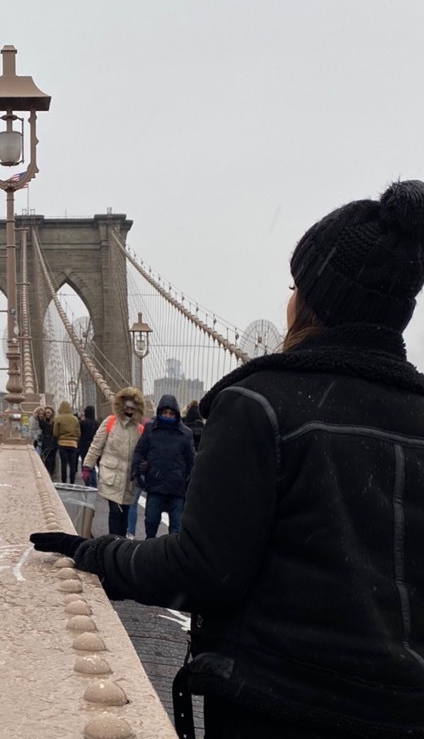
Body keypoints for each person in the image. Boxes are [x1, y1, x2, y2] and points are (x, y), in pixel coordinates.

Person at [31, 179, 424, 738]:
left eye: (295, 284)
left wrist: (98, 554)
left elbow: (203, 570)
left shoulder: (259, 404)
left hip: (278, 709)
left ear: (309, 300)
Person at [80, 387, 144, 536]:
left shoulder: (139, 429)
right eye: (126, 407)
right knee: (115, 511)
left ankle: (120, 543)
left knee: (125, 513)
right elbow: (96, 445)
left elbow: (141, 453)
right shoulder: (110, 422)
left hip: (129, 479)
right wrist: (87, 466)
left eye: (132, 408)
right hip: (111, 475)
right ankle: (112, 543)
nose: (129, 411)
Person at [131, 394, 195, 538]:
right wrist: (136, 470)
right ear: (159, 412)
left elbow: (192, 461)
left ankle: (172, 559)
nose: (167, 415)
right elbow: (139, 451)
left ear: (176, 414)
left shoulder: (185, 433)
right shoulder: (150, 429)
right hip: (155, 485)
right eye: (165, 412)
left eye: (171, 413)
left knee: (176, 529)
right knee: (151, 522)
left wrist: (191, 485)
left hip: (177, 489)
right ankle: (148, 554)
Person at [53, 400, 80, 484]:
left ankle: (64, 482)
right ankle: (72, 482)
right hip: (73, 444)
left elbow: (55, 433)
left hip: (62, 443)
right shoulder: (75, 419)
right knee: (72, 465)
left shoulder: (58, 418)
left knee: (63, 464)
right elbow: (78, 433)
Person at [77, 405, 100, 487]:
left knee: (85, 464)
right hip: (93, 445)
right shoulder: (96, 423)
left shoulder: (82, 423)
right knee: (92, 464)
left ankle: (87, 481)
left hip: (84, 446)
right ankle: (94, 482)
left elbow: (79, 433)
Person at [36, 405, 56, 477]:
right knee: (46, 458)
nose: (48, 414)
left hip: (52, 442)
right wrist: (38, 417)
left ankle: (51, 472)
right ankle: (48, 472)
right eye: (46, 413)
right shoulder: (43, 421)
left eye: (49, 413)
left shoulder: (54, 422)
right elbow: (41, 425)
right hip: (46, 442)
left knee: (52, 459)